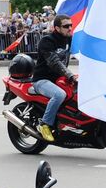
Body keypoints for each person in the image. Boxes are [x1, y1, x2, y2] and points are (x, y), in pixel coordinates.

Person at [30, 14, 73, 142]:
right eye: (66, 26)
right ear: (57, 28)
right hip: (42, 80)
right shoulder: (47, 41)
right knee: (60, 95)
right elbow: (54, 62)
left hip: (59, 79)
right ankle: (45, 124)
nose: (70, 28)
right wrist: (69, 75)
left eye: (71, 25)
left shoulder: (69, 38)